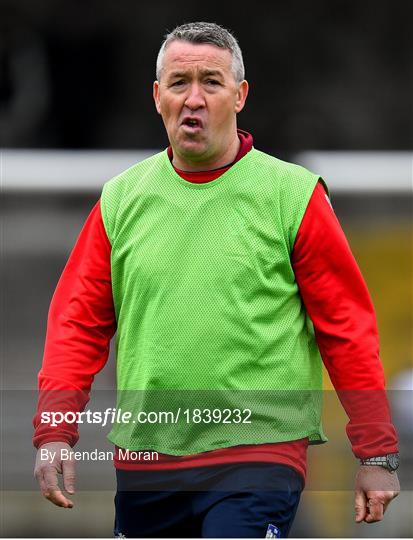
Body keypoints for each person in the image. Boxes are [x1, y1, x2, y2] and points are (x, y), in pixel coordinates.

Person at [33, 22, 400, 538]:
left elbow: (346, 328)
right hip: (146, 459)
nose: (194, 99)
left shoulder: (292, 196)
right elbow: (76, 323)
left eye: (212, 81)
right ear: (158, 97)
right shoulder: (120, 200)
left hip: (258, 453)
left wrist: (377, 452)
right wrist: (55, 431)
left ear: (240, 95)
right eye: (180, 83)